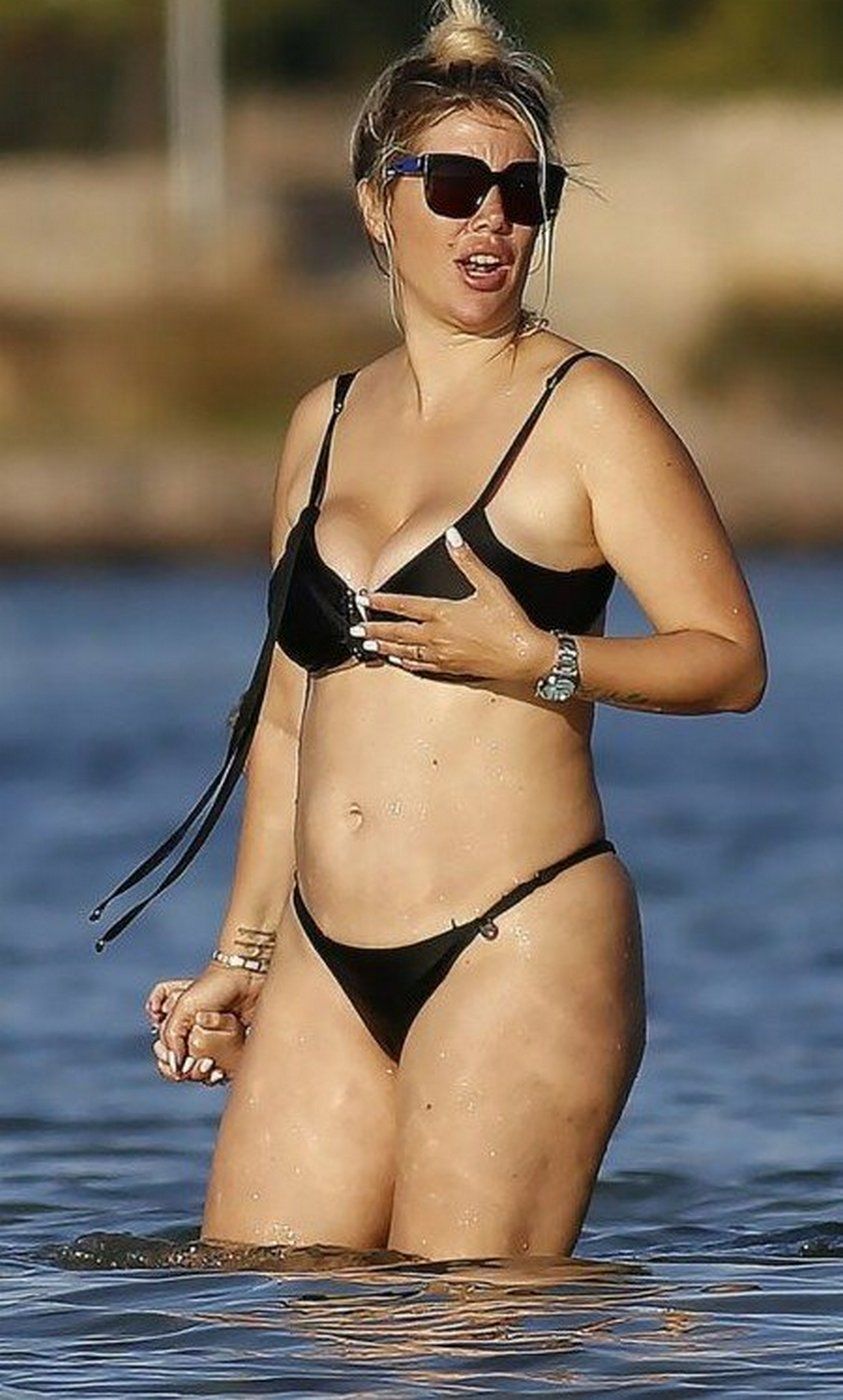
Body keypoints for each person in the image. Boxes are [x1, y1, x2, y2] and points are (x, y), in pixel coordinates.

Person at [91, 0, 766, 1259]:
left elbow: (730, 661)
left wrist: (541, 659)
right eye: (454, 187)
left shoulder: (588, 408)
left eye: (524, 193)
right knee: (258, 1300)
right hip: (324, 955)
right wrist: (244, 952)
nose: (490, 221)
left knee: (456, 1338)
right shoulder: (324, 420)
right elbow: (286, 718)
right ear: (375, 204)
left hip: (520, 932)